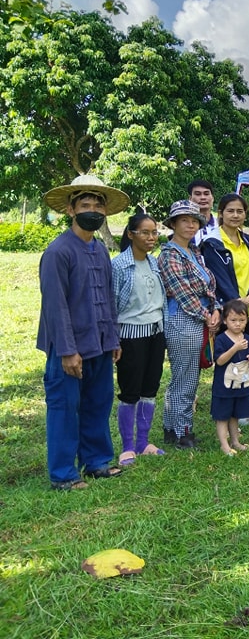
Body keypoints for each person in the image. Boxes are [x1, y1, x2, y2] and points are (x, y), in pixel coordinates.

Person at [38, 175, 129, 490]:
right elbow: (55, 306)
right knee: (65, 408)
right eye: (85, 205)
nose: (92, 210)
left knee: (98, 403)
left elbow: (108, 295)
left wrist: (113, 339)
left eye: (97, 205)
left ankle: (96, 462)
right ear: (70, 209)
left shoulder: (101, 249)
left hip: (100, 344)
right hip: (69, 348)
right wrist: (66, 350)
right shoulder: (58, 252)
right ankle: (63, 474)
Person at [158, 200, 221, 449]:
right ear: (173, 224)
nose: (190, 225)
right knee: (185, 378)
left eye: (194, 220)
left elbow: (209, 285)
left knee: (187, 376)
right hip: (183, 320)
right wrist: (208, 313)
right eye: (184, 220)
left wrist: (214, 309)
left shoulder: (194, 252)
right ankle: (183, 432)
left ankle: (172, 428)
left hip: (200, 316)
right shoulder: (169, 254)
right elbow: (183, 292)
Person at [200, 193, 249, 424]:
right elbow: (219, 278)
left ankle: (243, 408)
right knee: (229, 361)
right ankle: (228, 410)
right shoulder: (213, 243)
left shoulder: (246, 240)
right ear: (221, 214)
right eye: (230, 211)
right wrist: (238, 303)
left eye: (240, 211)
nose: (235, 215)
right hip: (230, 314)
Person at [112, 213, 167, 466]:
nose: (151, 237)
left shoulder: (154, 263)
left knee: (150, 388)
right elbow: (111, 306)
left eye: (154, 232)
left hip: (156, 333)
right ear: (131, 234)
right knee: (130, 390)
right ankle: (127, 446)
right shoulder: (119, 265)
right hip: (130, 336)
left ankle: (143, 442)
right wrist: (113, 340)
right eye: (145, 232)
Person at [212, 300, 249, 455]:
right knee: (222, 416)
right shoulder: (221, 339)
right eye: (233, 320)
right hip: (223, 387)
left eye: (242, 320)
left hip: (241, 384)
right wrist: (235, 348)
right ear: (225, 321)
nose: (237, 324)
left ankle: (235, 442)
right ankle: (224, 445)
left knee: (235, 415)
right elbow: (220, 360)